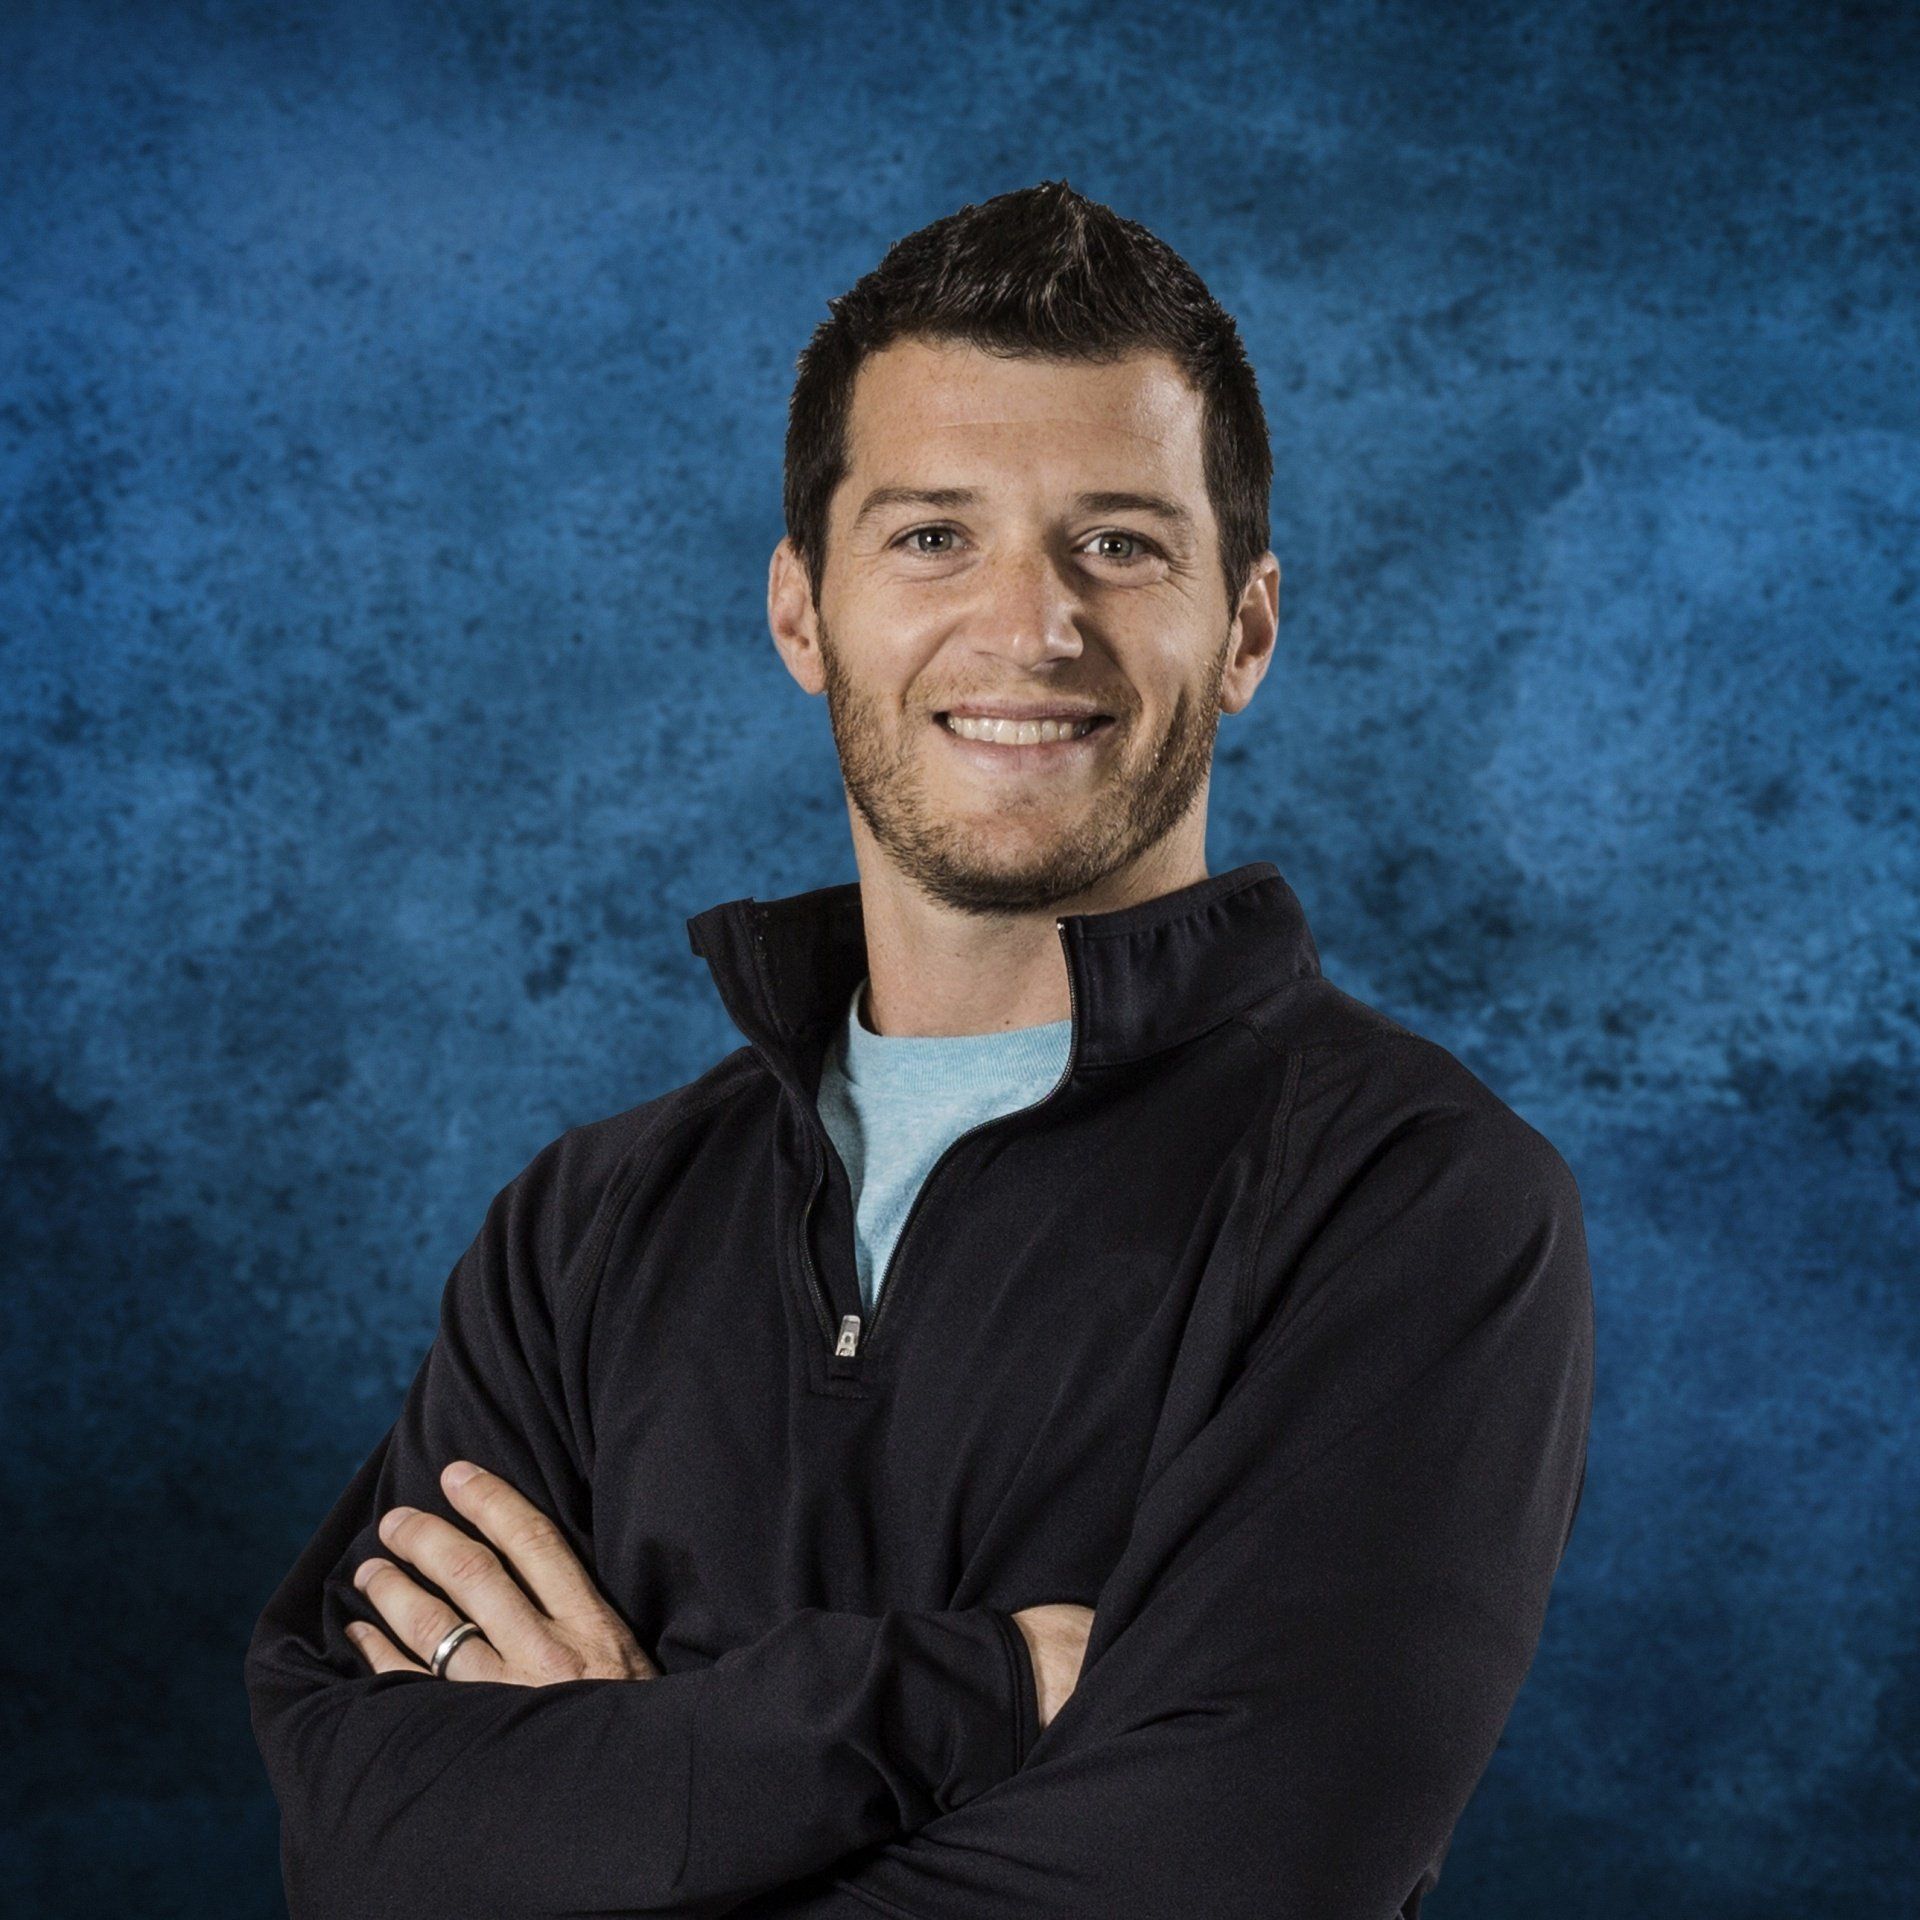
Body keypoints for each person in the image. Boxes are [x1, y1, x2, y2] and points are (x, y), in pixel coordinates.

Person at [245, 178, 1593, 1919]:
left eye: (1119, 539)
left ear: (1246, 626)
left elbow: (1213, 1884)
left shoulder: (1415, 1202)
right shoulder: (582, 1231)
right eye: (934, 533)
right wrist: (963, 1701)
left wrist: (612, 1793)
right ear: (804, 611)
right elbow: (362, 1851)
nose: (1029, 627)